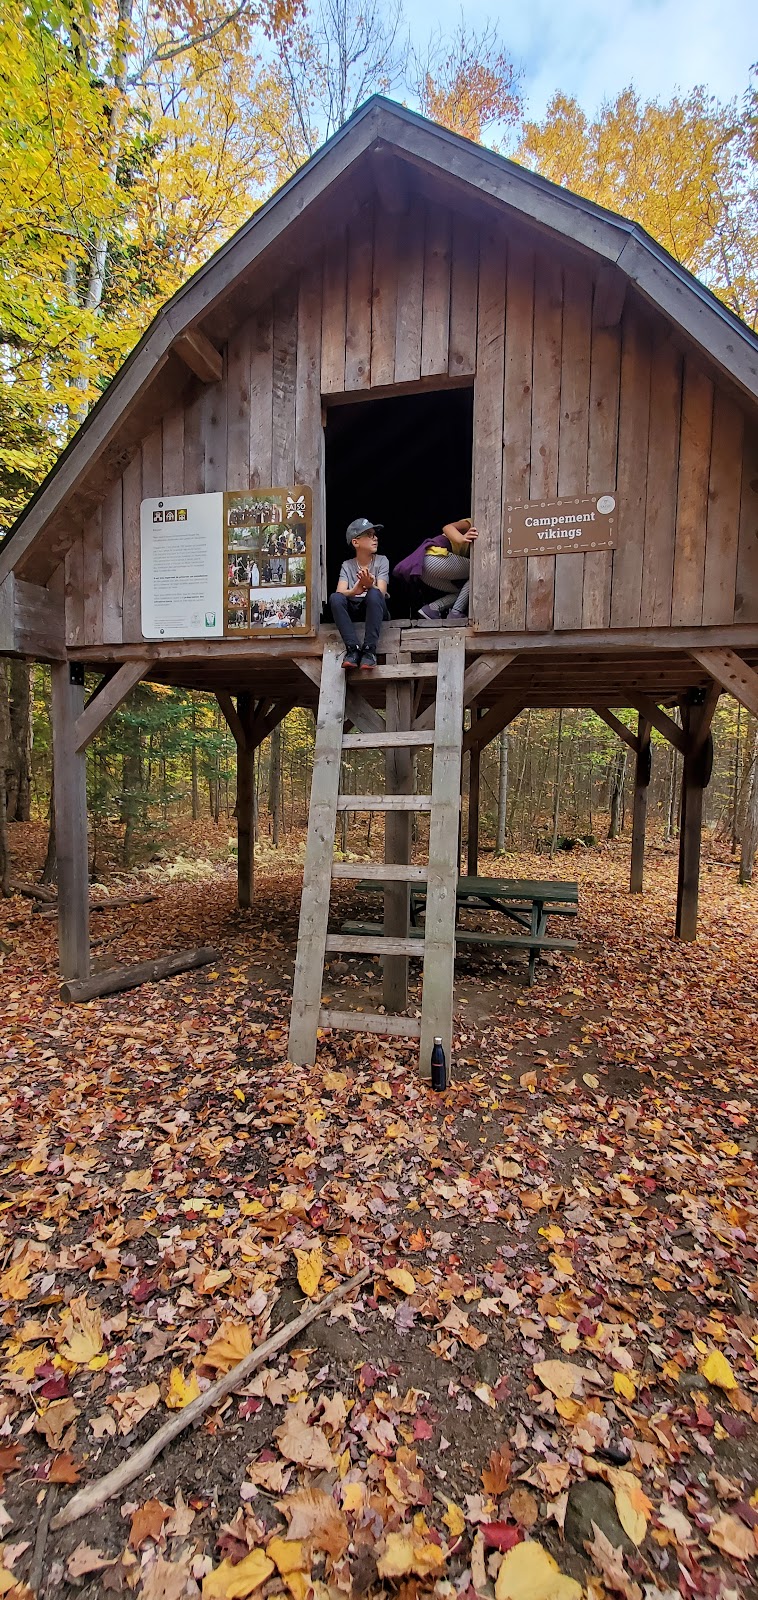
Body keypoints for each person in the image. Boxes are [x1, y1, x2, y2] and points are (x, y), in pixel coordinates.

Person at [330, 517, 390, 669]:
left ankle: (369, 651)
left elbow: (382, 593)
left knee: (374, 594)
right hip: (355, 608)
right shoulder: (347, 565)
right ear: (356, 542)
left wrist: (371, 586)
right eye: (369, 535)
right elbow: (340, 592)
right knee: (335, 598)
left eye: (375, 534)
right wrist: (354, 591)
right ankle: (353, 649)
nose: (375, 538)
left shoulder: (382, 561)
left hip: (375, 608)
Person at [394, 518, 478, 624]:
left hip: (424, 571)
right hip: (435, 558)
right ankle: (456, 613)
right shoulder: (472, 523)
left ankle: (432, 608)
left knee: (463, 591)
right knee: (479, 571)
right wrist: (462, 538)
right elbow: (447, 527)